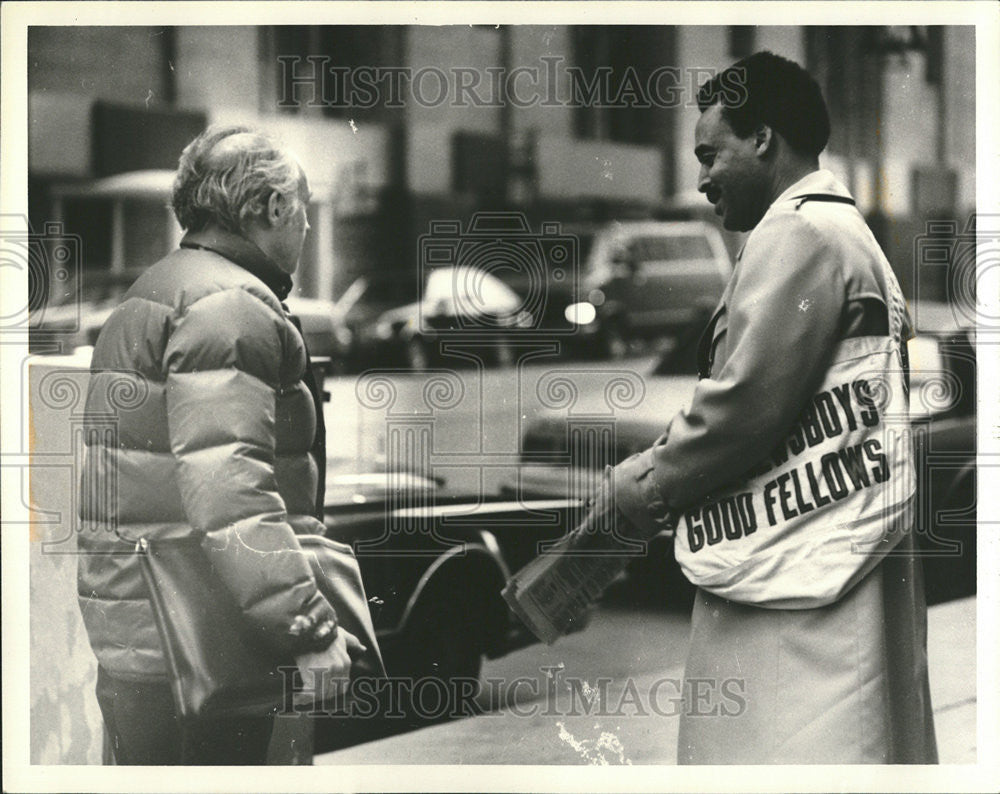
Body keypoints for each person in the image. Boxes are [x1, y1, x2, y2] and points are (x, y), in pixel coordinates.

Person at [601, 52, 938, 763]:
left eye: (709, 154)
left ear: (762, 139)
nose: (701, 181)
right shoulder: (851, 234)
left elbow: (745, 403)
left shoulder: (795, 234)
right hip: (840, 552)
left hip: (792, 592)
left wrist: (649, 482)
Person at [77, 125, 363, 764]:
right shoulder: (232, 304)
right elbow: (232, 493)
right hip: (197, 645)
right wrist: (309, 626)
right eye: (305, 209)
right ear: (271, 208)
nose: (308, 229)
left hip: (141, 639)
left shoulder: (155, 289)